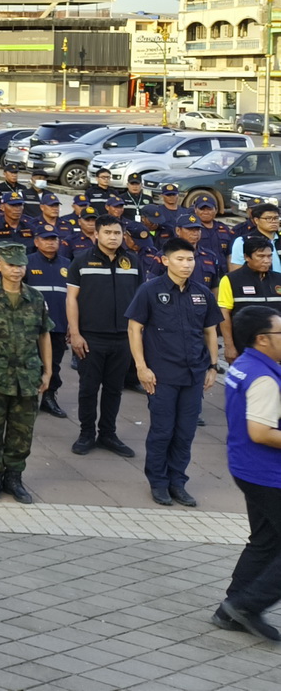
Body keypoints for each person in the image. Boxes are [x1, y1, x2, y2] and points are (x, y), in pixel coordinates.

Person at [127, 238, 222, 507]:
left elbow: (209, 331)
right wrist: (141, 367)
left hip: (193, 374)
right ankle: (158, 483)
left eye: (190, 259)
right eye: (180, 259)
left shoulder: (201, 292)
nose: (186, 265)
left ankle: (177, 482)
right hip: (161, 374)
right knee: (162, 431)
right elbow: (135, 329)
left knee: (185, 432)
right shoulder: (150, 290)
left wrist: (213, 366)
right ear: (165, 260)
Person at [0, 242, 53, 503]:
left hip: (27, 376)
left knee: (22, 430)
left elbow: (44, 334)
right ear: (0, 266)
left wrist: (47, 371)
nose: (17, 270)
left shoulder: (35, 298)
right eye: (11, 265)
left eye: (21, 265)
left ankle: (14, 477)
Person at [216, 305, 281, 641]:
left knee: (266, 540)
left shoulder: (243, 365)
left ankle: (229, 608)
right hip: (269, 473)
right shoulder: (265, 379)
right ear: (262, 340)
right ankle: (247, 605)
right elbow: (260, 431)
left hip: (247, 466)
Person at [65, 216, 142, 459]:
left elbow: (141, 300)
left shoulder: (134, 261)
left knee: (114, 389)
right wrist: (75, 334)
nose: (113, 237)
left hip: (123, 338)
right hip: (91, 338)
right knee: (88, 388)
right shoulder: (82, 261)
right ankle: (86, 433)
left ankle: (108, 433)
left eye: (117, 233)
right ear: (96, 234)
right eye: (107, 232)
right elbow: (71, 299)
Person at [25, 230, 72, 418]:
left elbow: (74, 297)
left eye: (54, 239)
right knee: (30, 362)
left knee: (54, 364)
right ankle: (28, 399)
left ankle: (49, 397)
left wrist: (72, 324)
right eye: (46, 239)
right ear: (37, 242)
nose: (51, 243)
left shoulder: (67, 264)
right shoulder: (27, 262)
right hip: (32, 325)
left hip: (58, 323)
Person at [219, 235, 281, 361]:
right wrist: (229, 346)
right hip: (244, 348)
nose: (267, 260)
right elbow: (224, 314)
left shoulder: (279, 279)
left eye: (269, 256)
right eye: (261, 256)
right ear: (247, 257)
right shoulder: (231, 280)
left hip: (276, 349)